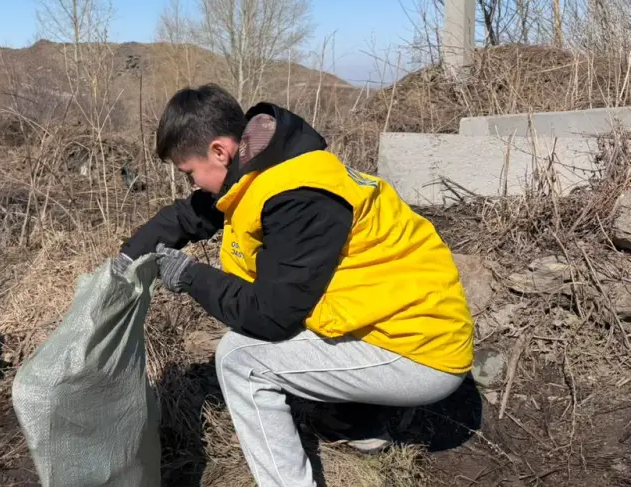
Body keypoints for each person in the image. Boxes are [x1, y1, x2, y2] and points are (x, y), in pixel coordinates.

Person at [114, 84, 474, 487]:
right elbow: (189, 216)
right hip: (393, 322)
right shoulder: (268, 169)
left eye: (190, 173)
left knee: (242, 358)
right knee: (288, 301)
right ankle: (358, 423)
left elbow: (270, 317)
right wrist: (127, 259)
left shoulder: (300, 198)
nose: (193, 185)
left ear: (219, 151)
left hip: (419, 353)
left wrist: (190, 276)